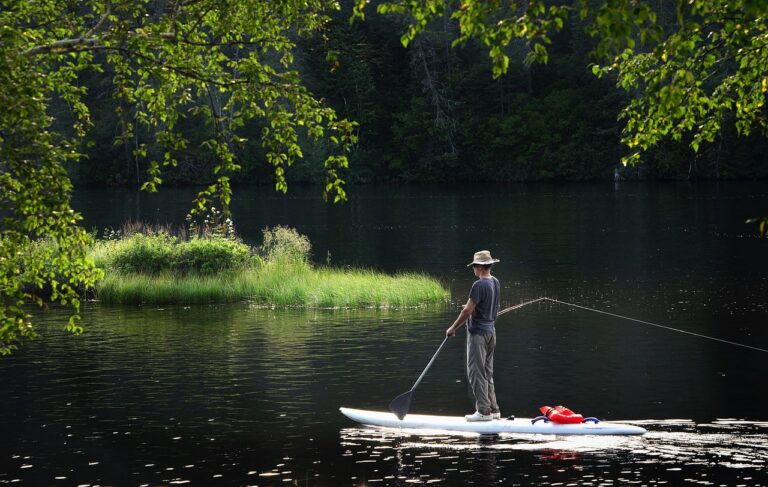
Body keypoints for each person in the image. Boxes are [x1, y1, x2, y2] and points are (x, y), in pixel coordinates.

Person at [446, 250, 501, 422]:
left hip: (478, 335)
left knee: (476, 372)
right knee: (487, 372)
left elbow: (467, 310)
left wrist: (453, 328)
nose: (473, 269)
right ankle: (494, 409)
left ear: (480, 267)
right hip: (491, 333)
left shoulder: (478, 285)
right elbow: (488, 306)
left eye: (474, 266)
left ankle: (483, 411)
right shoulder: (495, 282)